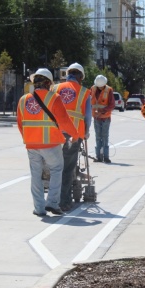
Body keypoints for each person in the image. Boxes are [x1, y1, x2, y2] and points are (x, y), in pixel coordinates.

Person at [17, 68, 79, 217]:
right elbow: (64, 121)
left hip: (32, 145)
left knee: (36, 175)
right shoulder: (54, 98)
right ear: (48, 83)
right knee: (57, 170)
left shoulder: (23, 100)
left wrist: (29, 138)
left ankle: (39, 208)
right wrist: (75, 134)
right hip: (51, 143)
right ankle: (52, 203)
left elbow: (20, 124)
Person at [52, 62, 92, 212]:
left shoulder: (55, 88)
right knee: (68, 169)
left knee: (55, 166)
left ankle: (52, 199)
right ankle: (64, 201)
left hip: (54, 133)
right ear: (80, 77)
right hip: (74, 135)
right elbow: (88, 116)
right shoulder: (84, 92)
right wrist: (86, 131)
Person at [90, 74, 115, 163]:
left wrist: (103, 110)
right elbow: (90, 102)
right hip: (96, 117)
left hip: (105, 117)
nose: (100, 88)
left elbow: (112, 105)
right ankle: (98, 157)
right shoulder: (92, 89)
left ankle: (106, 157)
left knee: (104, 137)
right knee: (98, 137)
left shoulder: (109, 90)